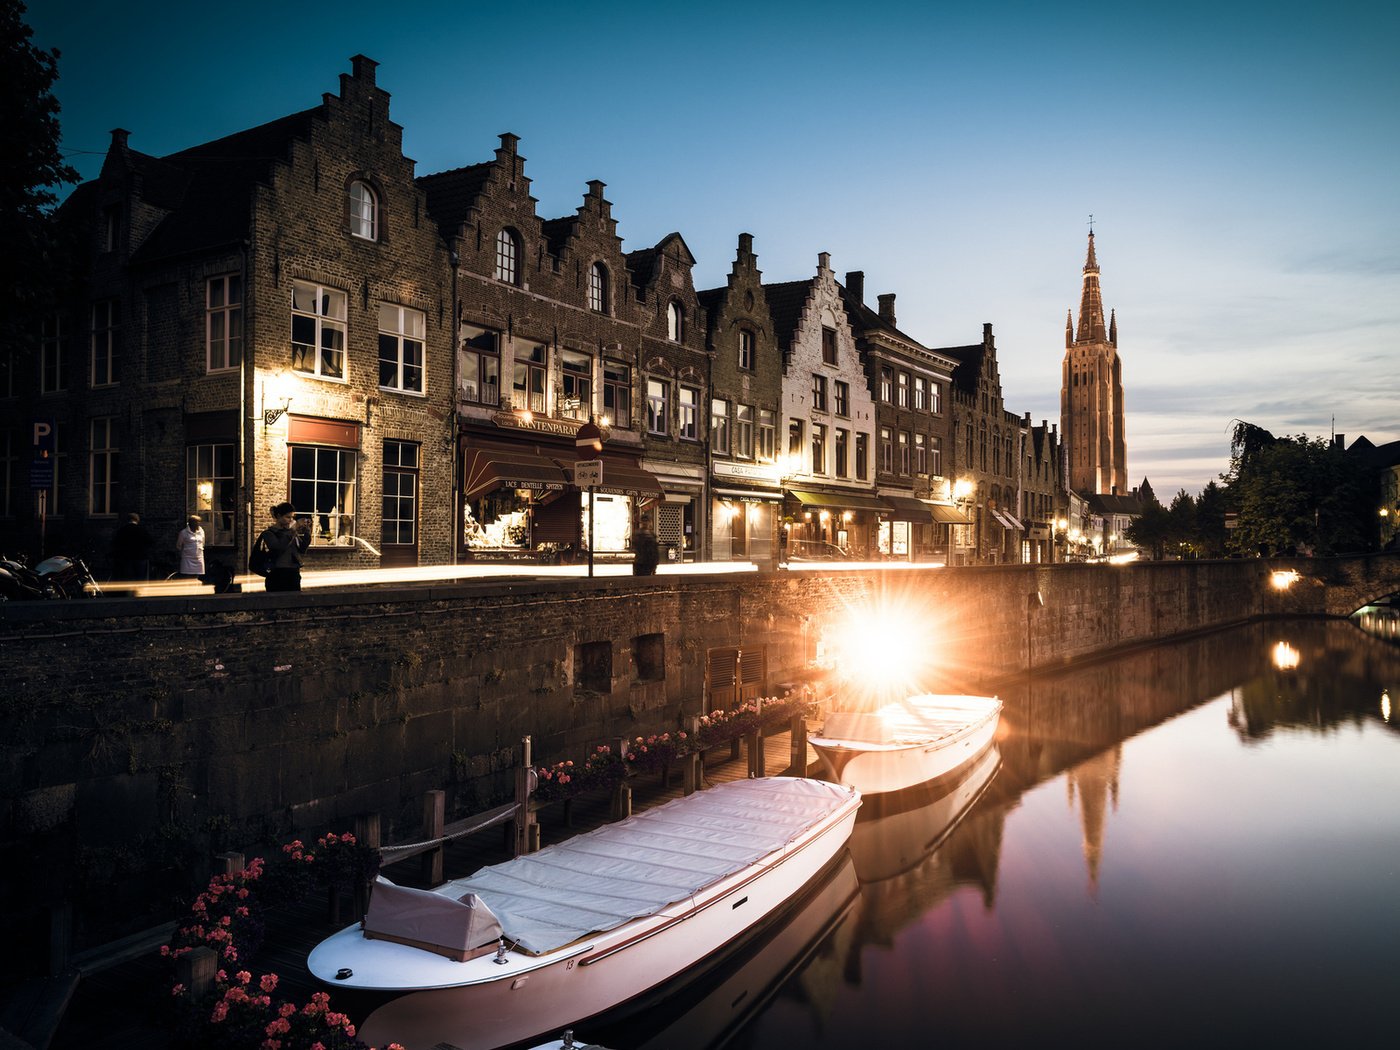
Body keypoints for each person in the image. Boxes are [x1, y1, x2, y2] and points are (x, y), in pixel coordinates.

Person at [253, 502, 311, 592]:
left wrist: (307, 532)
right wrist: (293, 530)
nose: (291, 520)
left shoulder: (291, 532)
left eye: (292, 517)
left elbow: (302, 549)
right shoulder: (269, 533)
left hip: (293, 573)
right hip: (277, 574)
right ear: (279, 516)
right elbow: (278, 547)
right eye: (288, 517)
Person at [110, 512, 153, 581]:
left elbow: (115, 543)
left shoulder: (122, 530)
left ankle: (129, 591)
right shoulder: (142, 530)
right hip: (141, 558)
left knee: (128, 579)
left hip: (126, 558)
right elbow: (150, 542)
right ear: (137, 520)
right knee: (141, 579)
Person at [175, 515, 206, 579]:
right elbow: (179, 545)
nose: (198, 524)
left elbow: (202, 543)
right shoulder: (183, 533)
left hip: (199, 558)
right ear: (191, 523)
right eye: (196, 522)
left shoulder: (201, 532)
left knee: (197, 576)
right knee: (188, 576)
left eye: (199, 522)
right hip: (187, 559)